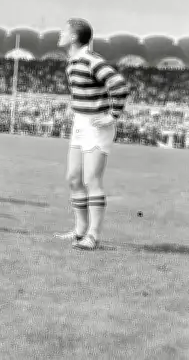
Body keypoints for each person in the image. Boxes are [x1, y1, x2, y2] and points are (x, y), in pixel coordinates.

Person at [55, 18, 130, 251]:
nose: (59, 34)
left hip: (96, 126)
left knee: (91, 180)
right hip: (81, 123)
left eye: (64, 31)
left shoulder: (90, 60)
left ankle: (93, 236)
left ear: (74, 37)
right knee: (73, 178)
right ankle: (79, 231)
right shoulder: (73, 62)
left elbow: (118, 84)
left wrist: (113, 115)